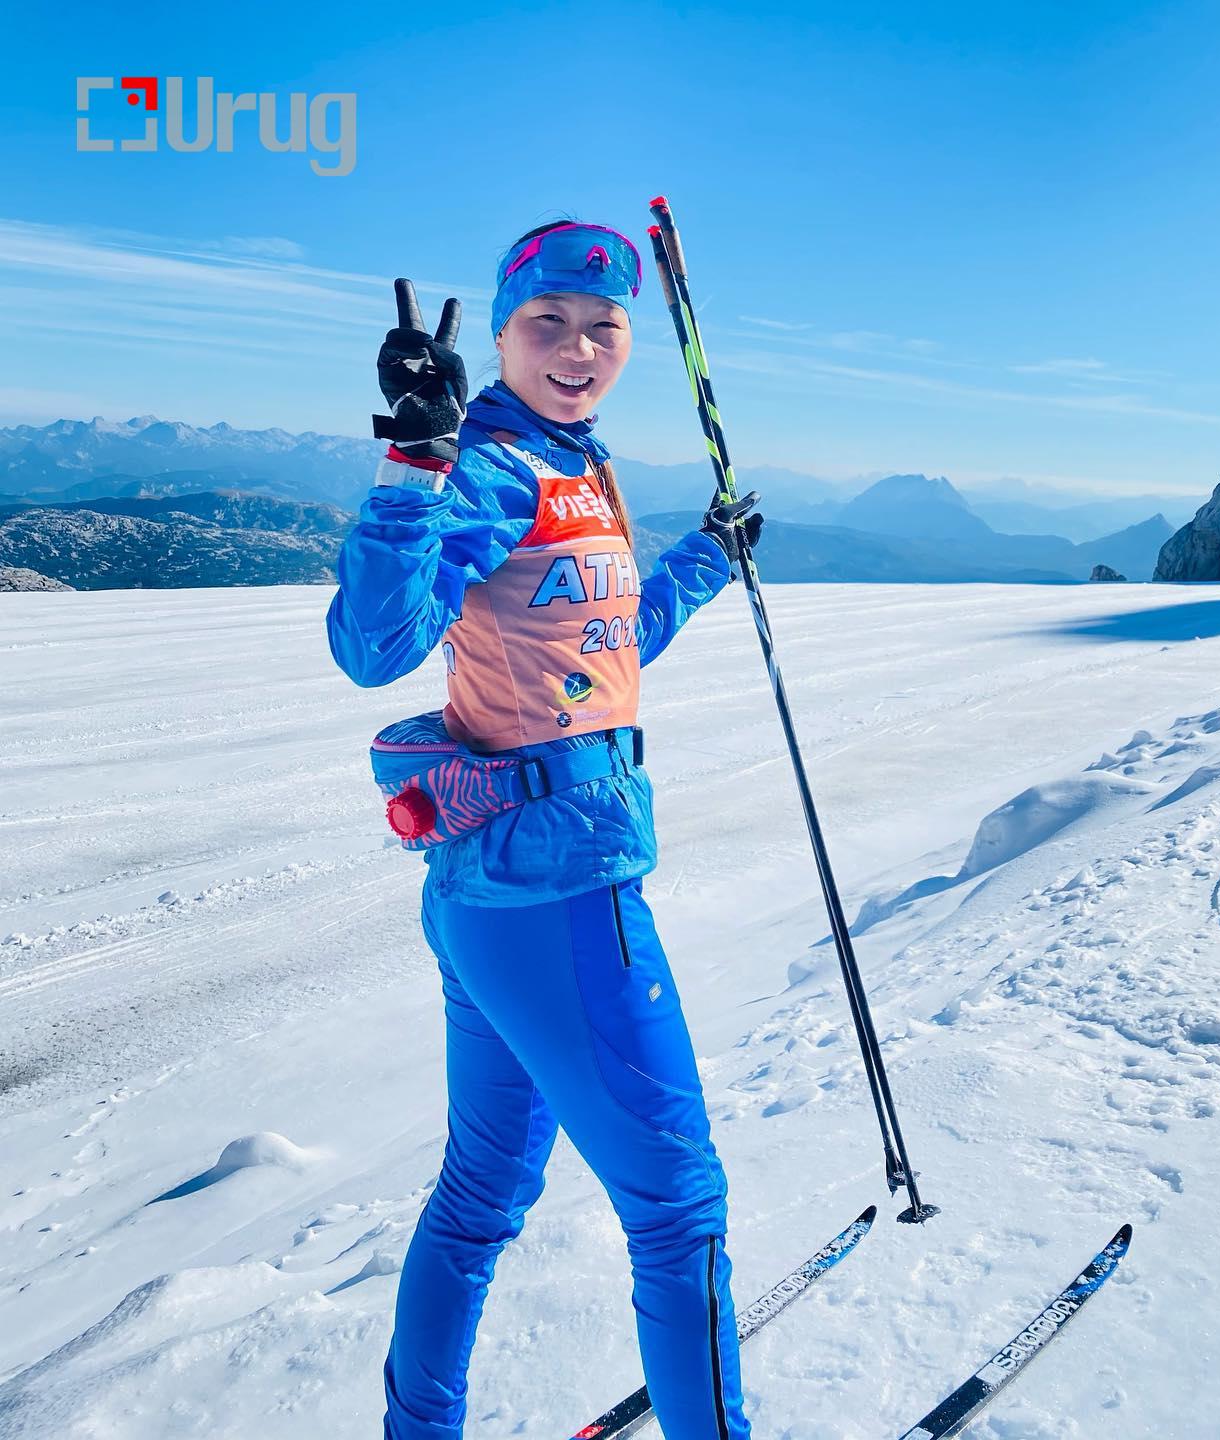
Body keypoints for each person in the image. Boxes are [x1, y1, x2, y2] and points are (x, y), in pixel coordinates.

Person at [326, 219, 764, 1440]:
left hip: (495, 891)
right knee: (680, 1208)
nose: (578, 348)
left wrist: (707, 559)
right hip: (558, 891)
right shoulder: (492, 466)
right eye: (548, 324)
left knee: (481, 1192)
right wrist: (414, 464)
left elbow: (601, 649)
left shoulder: (577, 463)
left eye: (603, 328)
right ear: (505, 333)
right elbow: (374, 645)